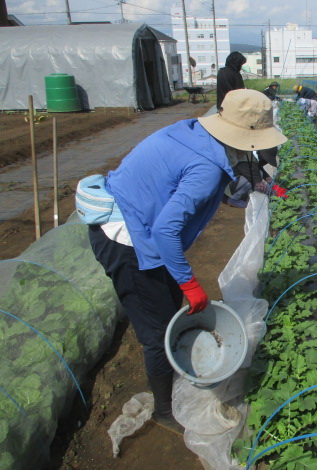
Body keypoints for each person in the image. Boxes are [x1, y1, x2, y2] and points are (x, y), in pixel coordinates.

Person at [87, 89, 286, 435]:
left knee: (168, 308)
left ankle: (174, 366)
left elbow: (214, 181)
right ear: (248, 136)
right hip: (127, 238)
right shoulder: (207, 167)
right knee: (156, 329)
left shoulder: (197, 133)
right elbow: (166, 230)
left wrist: (261, 187)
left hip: (141, 225)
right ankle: (165, 411)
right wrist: (190, 283)